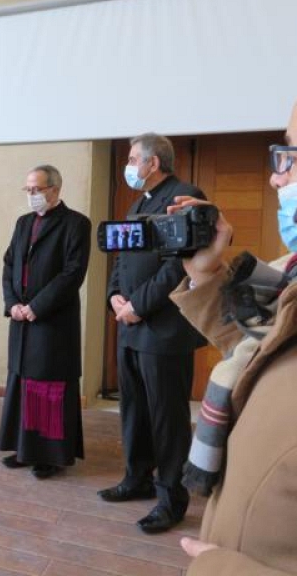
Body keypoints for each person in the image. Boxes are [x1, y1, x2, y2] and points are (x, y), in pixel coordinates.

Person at [172, 104, 297, 575]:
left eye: (290, 155)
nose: (276, 178)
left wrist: (224, 568)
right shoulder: (290, 274)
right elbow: (263, 356)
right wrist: (207, 275)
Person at [98, 133, 207, 533]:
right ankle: (136, 478)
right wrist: (114, 296)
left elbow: (177, 265)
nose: (129, 166)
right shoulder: (137, 204)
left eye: (132, 158)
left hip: (163, 330)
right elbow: (122, 259)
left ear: (153, 162)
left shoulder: (184, 196)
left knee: (167, 418)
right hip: (129, 328)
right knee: (134, 411)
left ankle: (171, 499)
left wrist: (138, 306)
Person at [0, 165, 91, 479]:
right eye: (28, 190)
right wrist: (12, 305)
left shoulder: (76, 223)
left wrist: (36, 306)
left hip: (52, 321)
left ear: (55, 189)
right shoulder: (23, 223)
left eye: (37, 190)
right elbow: (9, 264)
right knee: (23, 382)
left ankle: (49, 456)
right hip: (21, 320)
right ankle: (24, 450)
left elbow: (72, 274)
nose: (32, 196)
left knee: (47, 387)